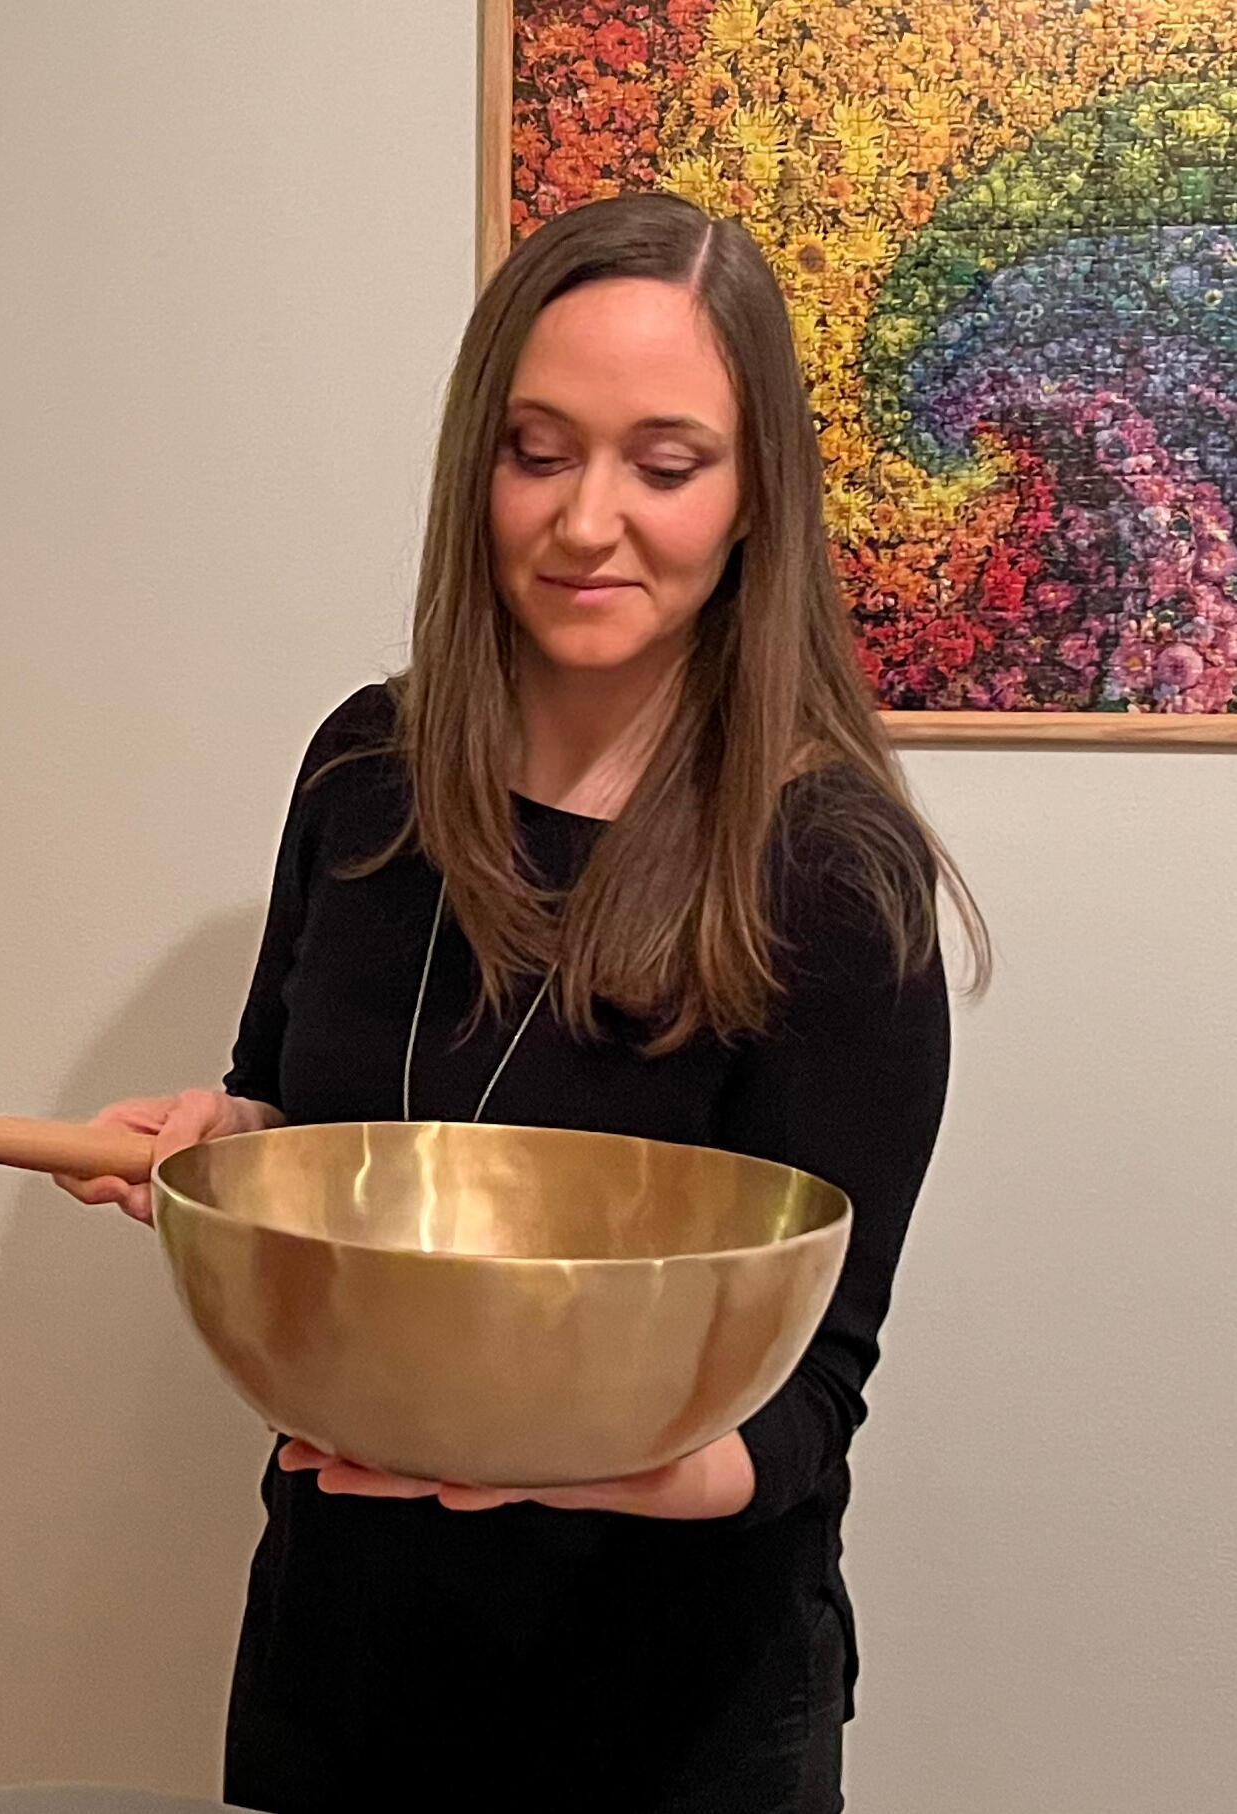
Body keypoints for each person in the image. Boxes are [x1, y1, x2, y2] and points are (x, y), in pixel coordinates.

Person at [56, 191, 987, 1814]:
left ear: (755, 495)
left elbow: (811, 1400)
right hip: (347, 1661)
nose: (586, 521)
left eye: (666, 465)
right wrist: (226, 1145)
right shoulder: (365, 771)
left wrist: (596, 1464)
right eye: (538, 452)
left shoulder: (835, 876)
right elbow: (296, 1108)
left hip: (672, 1715)